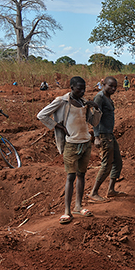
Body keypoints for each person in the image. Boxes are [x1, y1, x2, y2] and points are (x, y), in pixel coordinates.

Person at [37, 76, 101, 224]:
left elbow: (94, 122)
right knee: (70, 177)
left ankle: (78, 206)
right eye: (79, 88)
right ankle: (67, 211)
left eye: (84, 88)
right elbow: (41, 115)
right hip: (71, 144)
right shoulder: (61, 101)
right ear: (71, 87)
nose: (82, 91)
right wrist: (58, 126)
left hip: (85, 142)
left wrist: (95, 108)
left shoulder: (84, 102)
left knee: (81, 175)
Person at [88, 77, 124, 202]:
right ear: (103, 84)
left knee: (118, 162)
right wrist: (96, 137)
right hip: (103, 135)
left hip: (110, 134)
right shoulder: (100, 97)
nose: (113, 89)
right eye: (110, 86)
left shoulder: (108, 98)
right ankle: (94, 192)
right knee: (106, 164)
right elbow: (95, 118)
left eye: (115, 87)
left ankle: (111, 190)